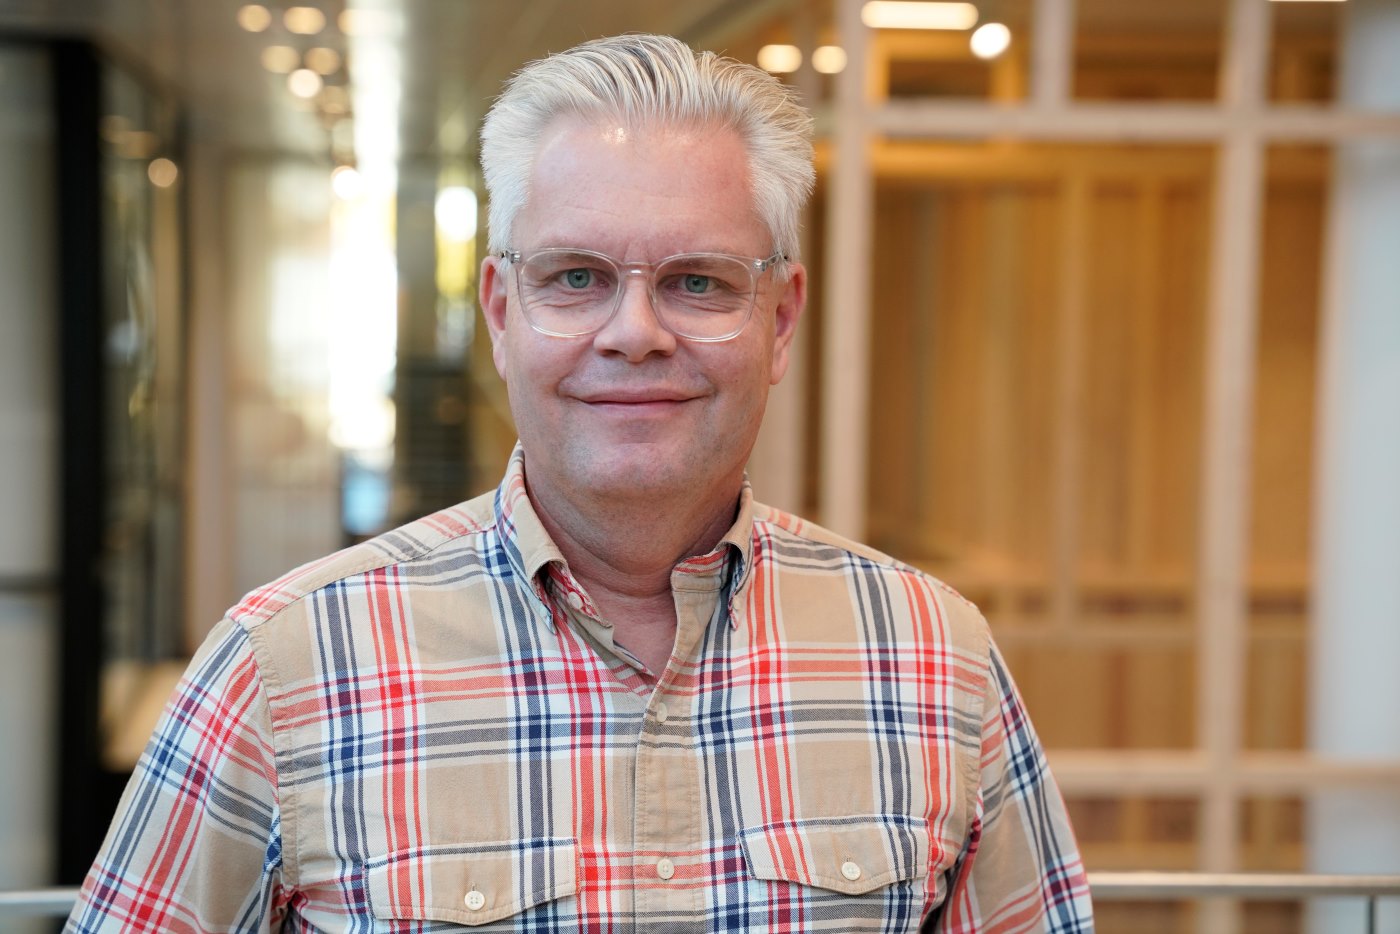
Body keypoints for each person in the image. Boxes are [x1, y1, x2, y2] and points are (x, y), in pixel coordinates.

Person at [67, 34, 1093, 933]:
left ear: (778, 319)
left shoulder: (930, 658)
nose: (635, 333)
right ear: (501, 311)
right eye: (575, 277)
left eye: (697, 281)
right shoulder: (282, 668)